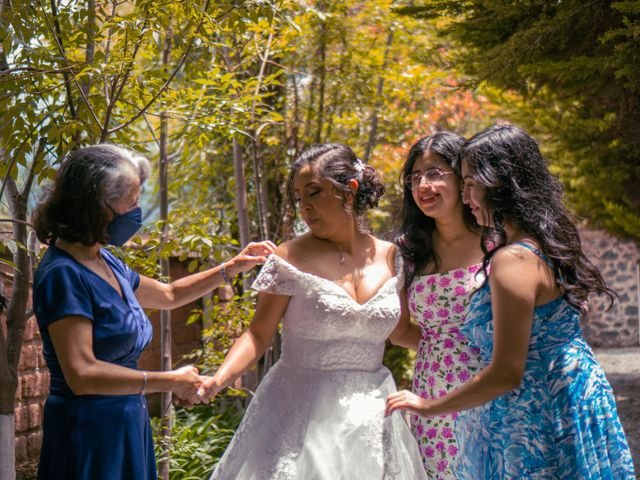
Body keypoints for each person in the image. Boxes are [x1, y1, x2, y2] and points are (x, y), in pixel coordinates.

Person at [386, 124, 636, 479]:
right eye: (415, 177)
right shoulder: (540, 242)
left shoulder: (509, 257)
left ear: (498, 183)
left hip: (536, 401)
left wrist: (428, 406)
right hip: (570, 392)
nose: (468, 195)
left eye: (470, 182)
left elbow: (506, 370)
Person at [31, 144, 275, 480]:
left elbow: (170, 294)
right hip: (89, 430)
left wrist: (232, 267)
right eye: (131, 201)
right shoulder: (63, 274)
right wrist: (168, 381)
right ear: (96, 206)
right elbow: (82, 373)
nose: (137, 210)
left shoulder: (104, 260)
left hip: (127, 419)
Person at [199, 144, 427, 479]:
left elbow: (403, 332)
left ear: (349, 191)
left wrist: (467, 348)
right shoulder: (288, 257)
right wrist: (219, 378)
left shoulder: (393, 256)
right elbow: (258, 333)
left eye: (314, 193)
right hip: (301, 413)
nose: (304, 207)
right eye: (298, 197)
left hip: (372, 413)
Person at [396, 131, 484, 478]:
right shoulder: (409, 250)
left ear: (463, 179)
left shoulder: (497, 239)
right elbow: (400, 330)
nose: (423, 185)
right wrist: (444, 348)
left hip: (491, 380)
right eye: (415, 177)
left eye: (434, 173)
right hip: (432, 388)